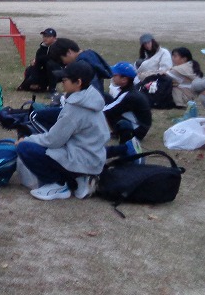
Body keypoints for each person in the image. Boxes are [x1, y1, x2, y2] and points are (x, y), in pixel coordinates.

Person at [16, 60, 110, 201]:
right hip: (94, 158)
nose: (62, 83)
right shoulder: (92, 100)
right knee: (42, 142)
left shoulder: (75, 109)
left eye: (65, 80)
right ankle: (81, 178)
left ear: (78, 82)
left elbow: (53, 140)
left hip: (81, 160)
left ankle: (57, 184)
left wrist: (26, 139)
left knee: (25, 148)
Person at [103, 62, 151, 159]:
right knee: (105, 97)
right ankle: (116, 132)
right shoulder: (130, 90)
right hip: (141, 127)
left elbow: (107, 110)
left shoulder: (129, 95)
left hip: (137, 131)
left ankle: (119, 133)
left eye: (115, 75)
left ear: (124, 79)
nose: (112, 77)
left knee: (107, 110)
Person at [49, 37, 113, 102]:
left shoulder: (83, 66)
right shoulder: (90, 57)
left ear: (69, 52)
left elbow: (93, 92)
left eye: (61, 60)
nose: (64, 63)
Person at [17, 28, 60, 93]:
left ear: (54, 38)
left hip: (59, 71)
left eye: (48, 36)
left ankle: (52, 89)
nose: (45, 38)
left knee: (50, 65)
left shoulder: (59, 47)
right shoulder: (41, 49)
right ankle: (30, 85)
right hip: (46, 71)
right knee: (30, 69)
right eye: (44, 36)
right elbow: (37, 64)